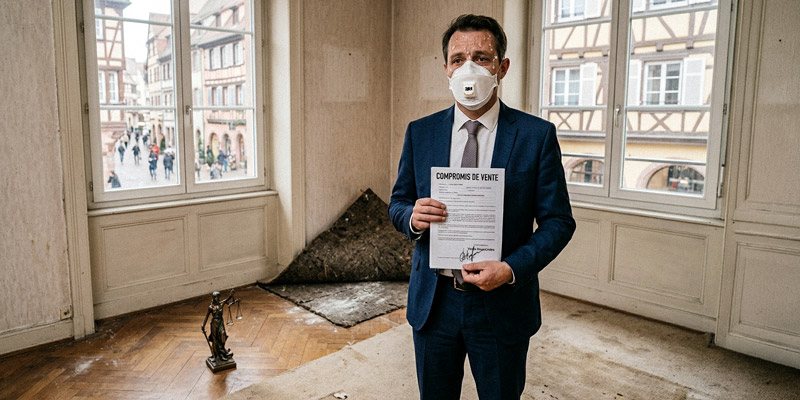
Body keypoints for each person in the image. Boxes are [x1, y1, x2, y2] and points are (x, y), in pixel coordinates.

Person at [388, 14, 575, 399]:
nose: (468, 67)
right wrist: (412, 218)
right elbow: (398, 203)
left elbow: (558, 221)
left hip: (502, 304)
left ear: (501, 67)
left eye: (482, 57)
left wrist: (510, 269)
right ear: (446, 69)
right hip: (434, 303)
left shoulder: (536, 136)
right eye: (458, 59)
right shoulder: (420, 132)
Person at [201, 290, 235, 365]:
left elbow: (227, 299)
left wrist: (231, 295)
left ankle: (222, 351)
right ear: (213, 298)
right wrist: (203, 325)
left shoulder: (221, 304)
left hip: (221, 322)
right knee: (215, 339)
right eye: (216, 297)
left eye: (218, 297)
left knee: (223, 336)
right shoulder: (211, 307)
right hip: (214, 323)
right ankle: (217, 355)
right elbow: (207, 316)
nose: (218, 298)